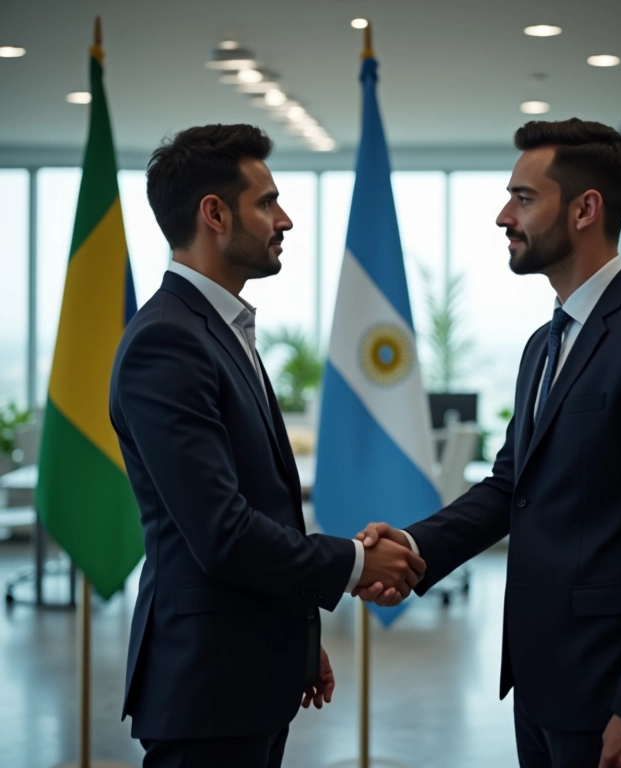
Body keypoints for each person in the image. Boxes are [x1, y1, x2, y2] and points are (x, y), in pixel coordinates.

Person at [355, 118, 621, 768]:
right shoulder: (541, 346)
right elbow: (509, 488)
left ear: (585, 209)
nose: (503, 215)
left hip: (611, 688)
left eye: (523, 197)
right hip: (540, 680)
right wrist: (413, 548)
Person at [109, 124, 425, 768]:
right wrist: (358, 566)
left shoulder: (220, 329)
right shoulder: (167, 342)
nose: (284, 220)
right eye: (267, 202)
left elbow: (261, 506)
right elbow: (221, 533)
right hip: (205, 689)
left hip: (245, 670)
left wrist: (296, 636)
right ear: (215, 213)